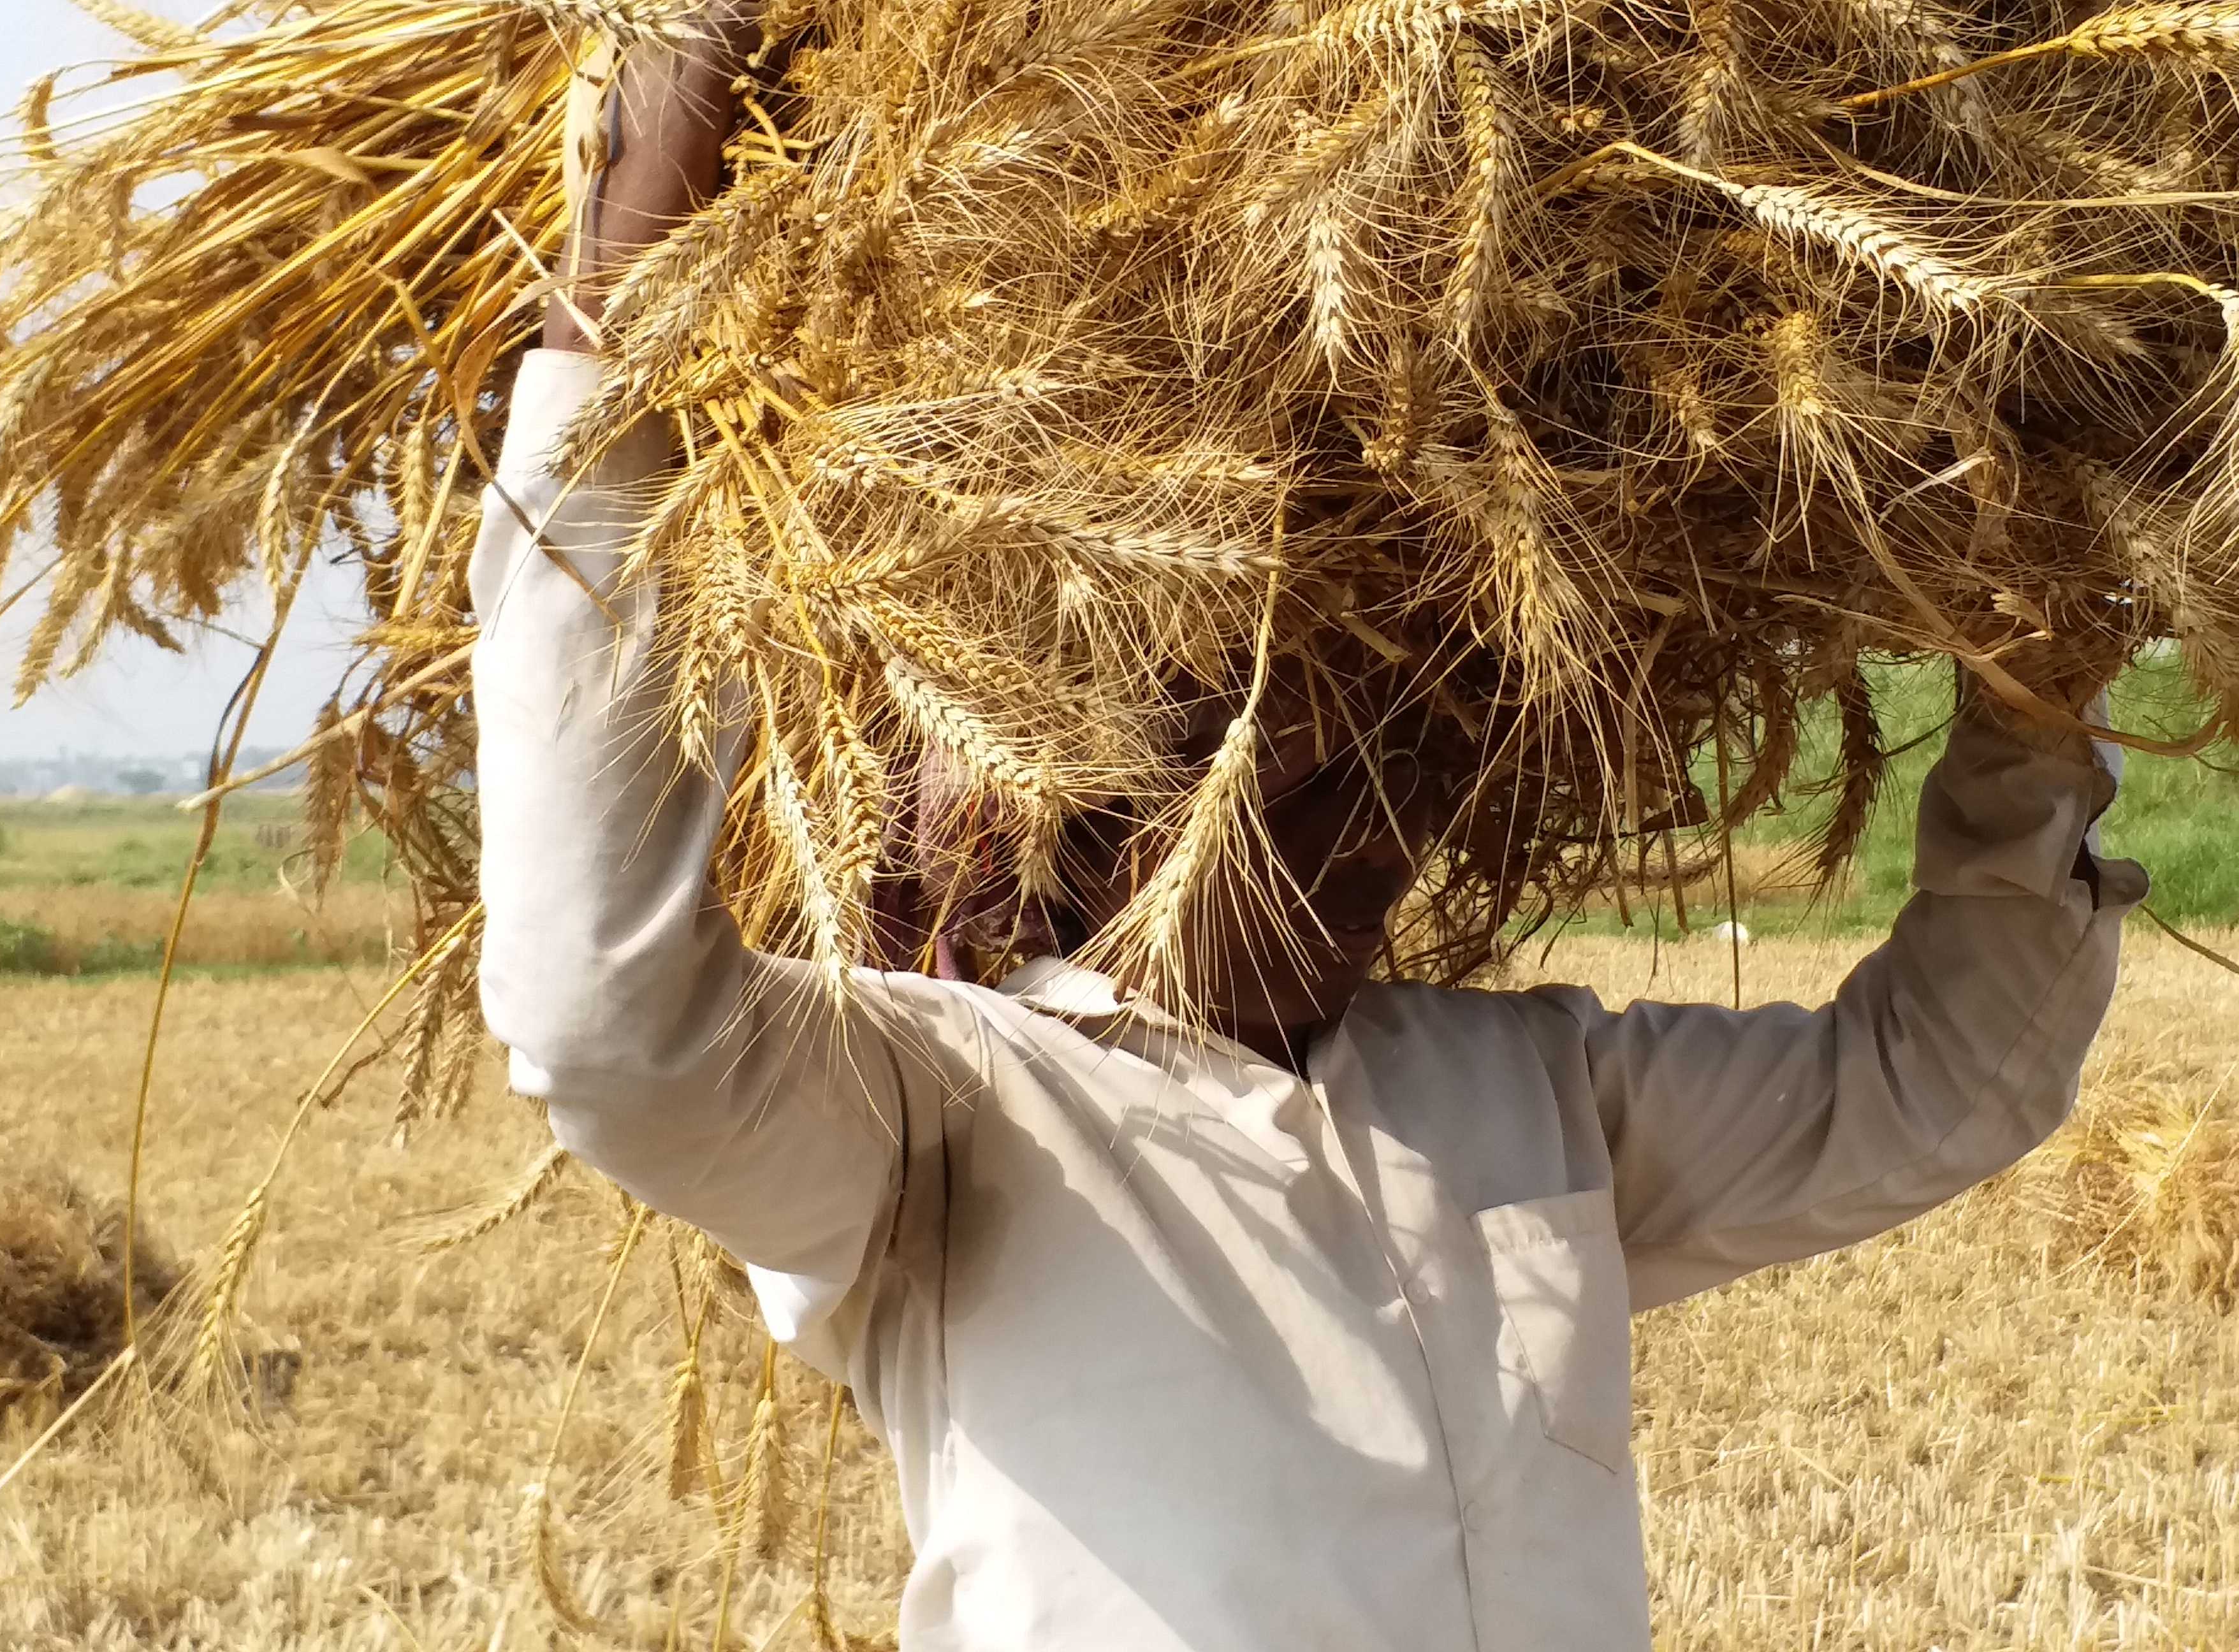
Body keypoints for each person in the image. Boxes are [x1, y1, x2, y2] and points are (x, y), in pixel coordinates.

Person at [468, 17, 2145, 1649]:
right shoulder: (933, 1123)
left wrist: (2043, 681)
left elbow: (1945, 1086)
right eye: (1289, 759)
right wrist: (622, 300)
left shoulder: (1526, 1100)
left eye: (1407, 767)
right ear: (1099, 789)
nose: (1373, 814)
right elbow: (606, 1024)